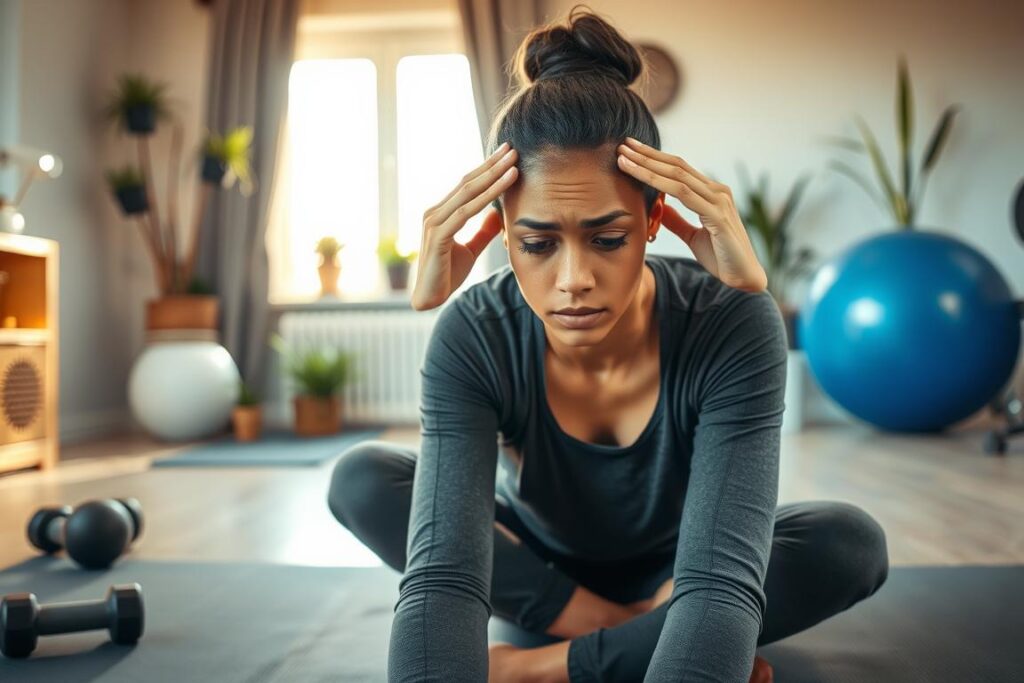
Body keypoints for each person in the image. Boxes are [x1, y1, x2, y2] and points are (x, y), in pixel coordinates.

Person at [327, 5, 889, 682]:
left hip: (685, 564)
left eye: (607, 238)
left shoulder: (728, 320)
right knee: (361, 476)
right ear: (501, 230)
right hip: (537, 562)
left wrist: (752, 304)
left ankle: (540, 664)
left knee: (850, 542)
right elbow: (444, 576)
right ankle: (629, 630)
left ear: (656, 218)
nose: (572, 281)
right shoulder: (476, 330)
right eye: (536, 243)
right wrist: (686, 634)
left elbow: (716, 579)